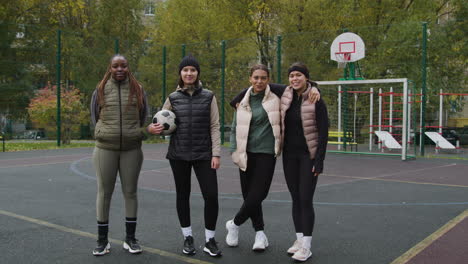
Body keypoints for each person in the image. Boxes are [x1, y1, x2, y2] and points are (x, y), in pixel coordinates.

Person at [147, 55, 222, 257]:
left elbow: (215, 126)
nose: (189, 73)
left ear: (198, 73)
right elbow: (161, 122)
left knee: (212, 196)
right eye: (185, 70)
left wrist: (216, 153)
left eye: (193, 70)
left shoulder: (209, 96)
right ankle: (188, 238)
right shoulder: (172, 98)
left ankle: (210, 239)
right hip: (178, 155)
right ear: (180, 73)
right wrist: (153, 129)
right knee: (183, 195)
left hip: (204, 154)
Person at [90, 54, 149, 256]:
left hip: (131, 149)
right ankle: (102, 241)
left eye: (123, 66)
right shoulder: (100, 89)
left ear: (128, 67)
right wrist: (105, 133)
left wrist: (135, 133)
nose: (120, 69)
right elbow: (94, 116)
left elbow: (143, 115)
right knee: (104, 193)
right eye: (115, 66)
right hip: (105, 149)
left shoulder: (138, 89)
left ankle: (130, 239)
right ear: (110, 68)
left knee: (130, 192)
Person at [225, 64, 281, 252]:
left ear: (268, 79)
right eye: (255, 77)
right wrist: (233, 151)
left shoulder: (276, 98)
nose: (259, 81)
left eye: (263, 78)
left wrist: (313, 87)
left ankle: (234, 223)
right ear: (250, 79)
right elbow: (234, 128)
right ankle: (260, 233)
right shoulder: (242, 101)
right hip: (244, 153)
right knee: (249, 196)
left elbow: (298, 85)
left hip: (266, 152)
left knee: (259, 194)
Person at [281, 62, 328, 262]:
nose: (294, 79)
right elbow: (258, 83)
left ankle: (307, 246)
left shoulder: (316, 100)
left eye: (298, 75)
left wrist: (319, 161)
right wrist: (239, 101)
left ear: (306, 78)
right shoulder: (285, 96)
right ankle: (299, 241)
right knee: (295, 198)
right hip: (289, 156)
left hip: (307, 157)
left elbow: (324, 133)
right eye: (292, 76)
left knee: (305, 199)